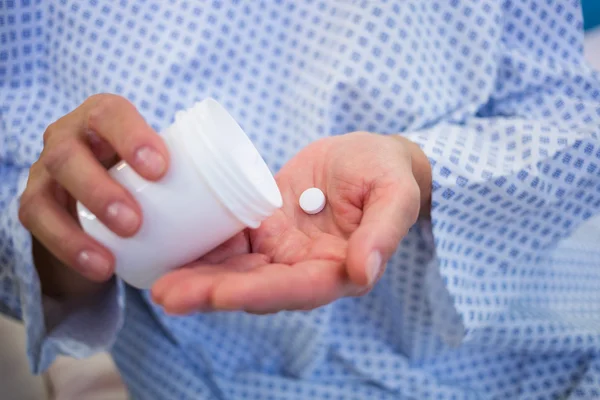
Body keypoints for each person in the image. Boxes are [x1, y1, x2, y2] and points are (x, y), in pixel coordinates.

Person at [2, 1, 600, 398]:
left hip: (523, 350)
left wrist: (417, 167)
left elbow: (570, 121)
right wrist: (66, 249)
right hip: (217, 378)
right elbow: (16, 221)